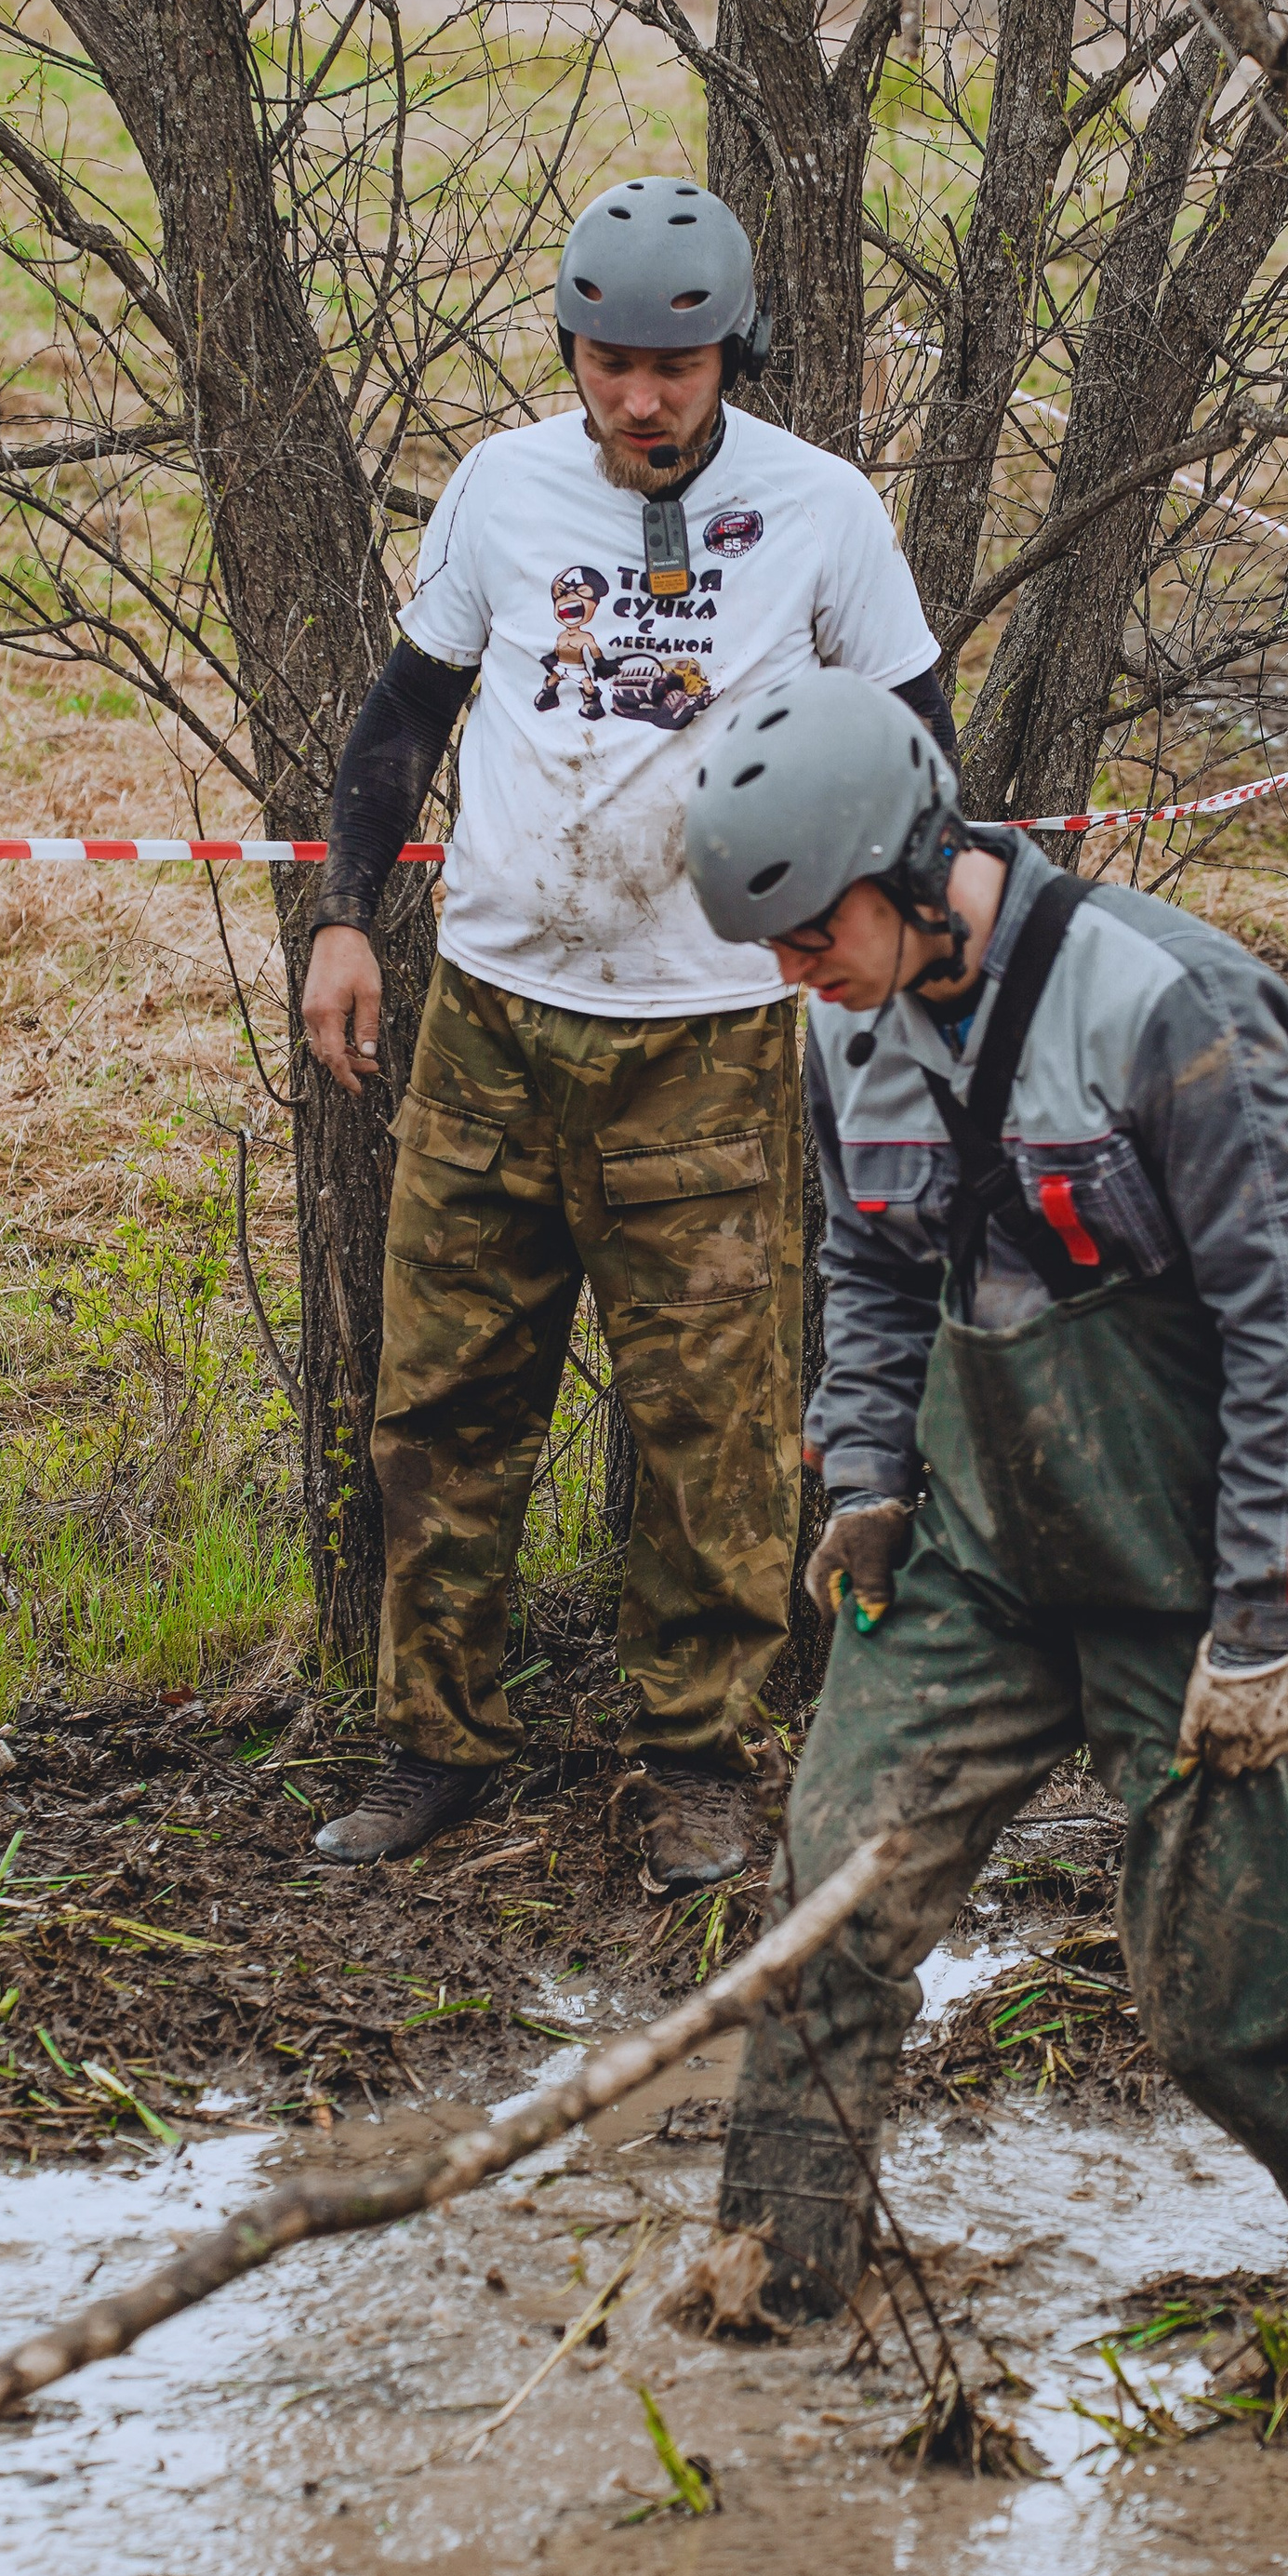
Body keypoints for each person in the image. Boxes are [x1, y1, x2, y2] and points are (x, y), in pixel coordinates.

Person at [677, 672, 1288, 2310]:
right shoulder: (845, 1030)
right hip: (974, 1564)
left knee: (1225, 2022)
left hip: (1200, 1588)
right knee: (821, 1925)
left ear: (907, 864)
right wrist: (872, 1477)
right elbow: (874, 1271)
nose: (793, 975)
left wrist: (1270, 1612)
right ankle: (769, 2300)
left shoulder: (1169, 1008)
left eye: (812, 930)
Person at [299, 179, 949, 1896]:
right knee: (441, 1402)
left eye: (677, 365)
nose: (642, 398)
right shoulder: (501, 491)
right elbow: (405, 711)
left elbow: (920, 742)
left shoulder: (821, 512)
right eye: (611, 361)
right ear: (571, 351)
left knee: (713, 1425)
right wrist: (350, 915)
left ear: (729, 354)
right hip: (497, 1027)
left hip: (716, 1035)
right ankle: (433, 1742)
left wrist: (906, 961)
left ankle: (696, 1763)